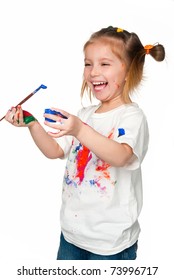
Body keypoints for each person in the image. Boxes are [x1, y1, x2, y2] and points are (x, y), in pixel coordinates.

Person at [5, 26, 165, 260]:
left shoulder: (131, 117)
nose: (92, 72)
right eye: (88, 63)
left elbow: (121, 156)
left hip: (111, 244)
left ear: (129, 70)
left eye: (104, 64)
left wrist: (79, 129)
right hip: (71, 236)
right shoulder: (85, 114)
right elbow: (55, 150)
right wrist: (32, 124)